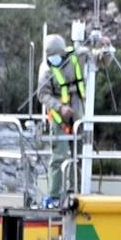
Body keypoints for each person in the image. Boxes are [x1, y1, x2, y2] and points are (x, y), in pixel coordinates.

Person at [36, 34, 88, 204]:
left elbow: (96, 57)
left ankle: (76, 190)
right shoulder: (46, 70)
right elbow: (43, 95)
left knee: (79, 155)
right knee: (59, 156)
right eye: (51, 56)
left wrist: (103, 47)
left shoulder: (75, 59)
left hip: (78, 116)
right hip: (59, 119)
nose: (54, 59)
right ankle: (54, 195)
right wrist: (60, 107)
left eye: (56, 55)